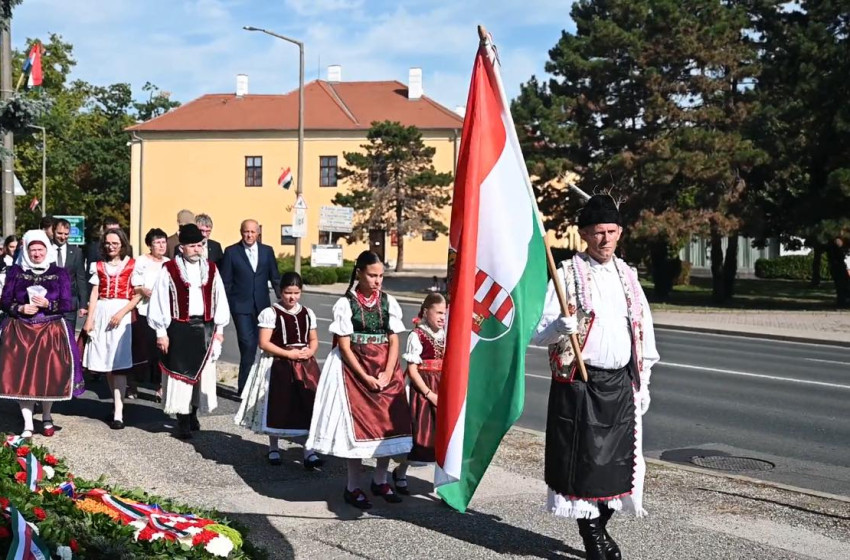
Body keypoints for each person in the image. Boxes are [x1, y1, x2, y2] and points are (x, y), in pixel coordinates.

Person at [532, 194, 659, 560]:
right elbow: (538, 335)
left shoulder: (629, 277)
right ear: (584, 235)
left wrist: (644, 379)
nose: (605, 239)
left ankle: (598, 529)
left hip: (621, 383)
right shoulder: (567, 275)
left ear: (620, 232)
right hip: (580, 384)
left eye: (611, 231)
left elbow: (643, 332)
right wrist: (558, 326)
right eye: (597, 232)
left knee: (617, 467)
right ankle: (593, 539)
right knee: (584, 468)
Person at [307, 250, 411, 510]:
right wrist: (364, 375)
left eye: (381, 276)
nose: (378, 281)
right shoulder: (346, 304)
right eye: (372, 275)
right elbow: (343, 344)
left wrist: (389, 371)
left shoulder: (388, 302)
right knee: (358, 429)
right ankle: (352, 486)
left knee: (388, 425)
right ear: (360, 273)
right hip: (356, 367)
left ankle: (380, 480)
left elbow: (394, 338)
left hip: (385, 367)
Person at [147, 223, 230, 439]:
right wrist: (161, 333)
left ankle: (193, 413)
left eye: (199, 245)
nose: (196, 249)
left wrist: (219, 329)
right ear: (182, 247)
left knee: (201, 375)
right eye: (191, 246)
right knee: (181, 375)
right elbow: (159, 301)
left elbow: (220, 298)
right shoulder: (170, 270)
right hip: (179, 328)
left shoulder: (211, 269)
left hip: (205, 328)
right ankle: (182, 419)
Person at [0, 230, 84, 438]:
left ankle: (46, 416)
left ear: (47, 249)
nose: (37, 253)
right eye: (32, 249)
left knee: (49, 376)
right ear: (26, 250)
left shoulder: (59, 273)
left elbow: (68, 303)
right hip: (21, 330)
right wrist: (20, 309)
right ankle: (28, 423)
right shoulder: (16, 272)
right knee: (23, 377)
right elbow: (4, 300)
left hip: (50, 330)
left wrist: (49, 304)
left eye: (40, 249)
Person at [235, 272, 323, 468]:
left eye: (296, 292)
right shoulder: (271, 313)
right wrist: (289, 354)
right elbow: (264, 343)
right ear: (280, 292)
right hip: (278, 364)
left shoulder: (308, 313)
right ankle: (273, 447)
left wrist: (310, 351)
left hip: (305, 366)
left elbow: (313, 339)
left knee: (308, 403)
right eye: (288, 292)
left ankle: (309, 450)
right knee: (277, 403)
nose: (292, 297)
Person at [82, 228, 145, 430]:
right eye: (108, 243)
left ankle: (118, 411)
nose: (111, 246)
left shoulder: (132, 265)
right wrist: (89, 321)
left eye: (115, 243)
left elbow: (137, 295)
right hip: (102, 312)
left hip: (122, 313)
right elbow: (94, 294)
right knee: (106, 362)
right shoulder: (98, 266)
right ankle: (117, 403)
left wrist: (121, 312)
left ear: (122, 244)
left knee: (119, 363)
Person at [220, 219, 282, 393]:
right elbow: (226, 282)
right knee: (248, 345)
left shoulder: (267, 251)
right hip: (241, 307)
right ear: (241, 232)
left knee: (266, 346)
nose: (249, 235)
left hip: (262, 306)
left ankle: (264, 386)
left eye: (253, 232)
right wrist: (225, 305)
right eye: (246, 231)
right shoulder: (232, 252)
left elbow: (275, 277)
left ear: (258, 233)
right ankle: (245, 388)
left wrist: (283, 299)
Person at [393, 292, 446, 495]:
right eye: (438, 312)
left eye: (444, 313)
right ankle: (401, 471)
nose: (442, 317)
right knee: (419, 434)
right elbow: (413, 370)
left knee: (442, 434)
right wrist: (429, 393)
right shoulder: (417, 335)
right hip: (423, 388)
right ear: (426, 312)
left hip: (442, 386)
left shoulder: (446, 334)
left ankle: (444, 482)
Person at [131, 228, 170, 402]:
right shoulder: (141, 261)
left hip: (163, 312)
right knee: (142, 348)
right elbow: (134, 284)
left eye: (163, 242)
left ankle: (160, 387)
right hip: (144, 309)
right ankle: (132, 383)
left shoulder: (169, 263)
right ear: (150, 245)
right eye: (157, 242)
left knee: (162, 350)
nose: (161, 246)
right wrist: (142, 289)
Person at [53, 218, 89, 332]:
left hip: (69, 303)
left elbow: (81, 279)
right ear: (53, 231)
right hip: (49, 303)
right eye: (59, 233)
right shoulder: (45, 251)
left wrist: (83, 304)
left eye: (66, 234)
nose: (63, 237)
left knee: (68, 336)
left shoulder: (76, 252)